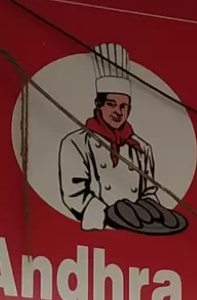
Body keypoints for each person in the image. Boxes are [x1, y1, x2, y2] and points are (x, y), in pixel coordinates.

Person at [58, 44, 187, 235]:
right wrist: (109, 213)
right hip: (96, 229)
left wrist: (150, 213)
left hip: (136, 231)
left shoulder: (142, 147)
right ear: (98, 105)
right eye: (112, 104)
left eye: (124, 106)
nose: (118, 112)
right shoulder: (76, 142)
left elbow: (149, 191)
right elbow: (73, 193)